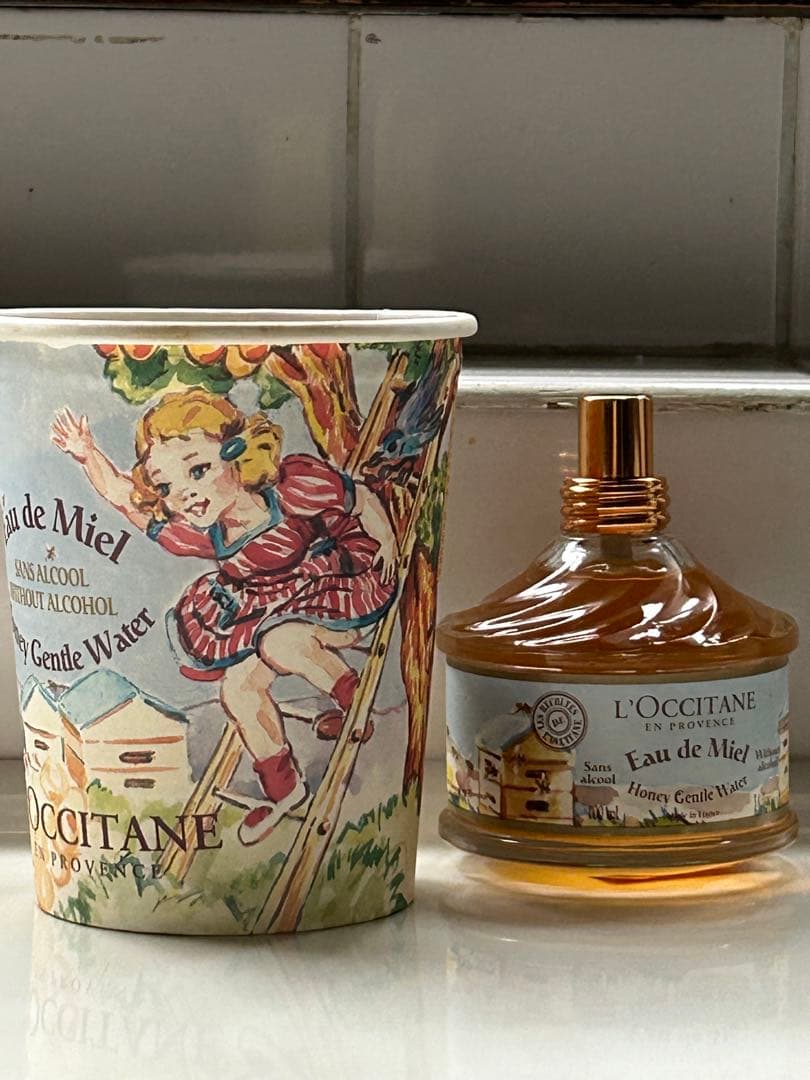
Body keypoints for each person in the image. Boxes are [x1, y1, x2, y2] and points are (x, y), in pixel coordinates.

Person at [51, 388, 398, 844]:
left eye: (198, 470)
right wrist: (87, 453)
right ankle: (285, 789)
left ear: (236, 453)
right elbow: (124, 496)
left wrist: (387, 540)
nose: (186, 493)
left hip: (337, 580)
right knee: (239, 688)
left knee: (280, 642)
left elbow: (360, 500)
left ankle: (355, 701)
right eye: (167, 487)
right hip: (269, 606)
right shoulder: (205, 535)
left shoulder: (291, 488)